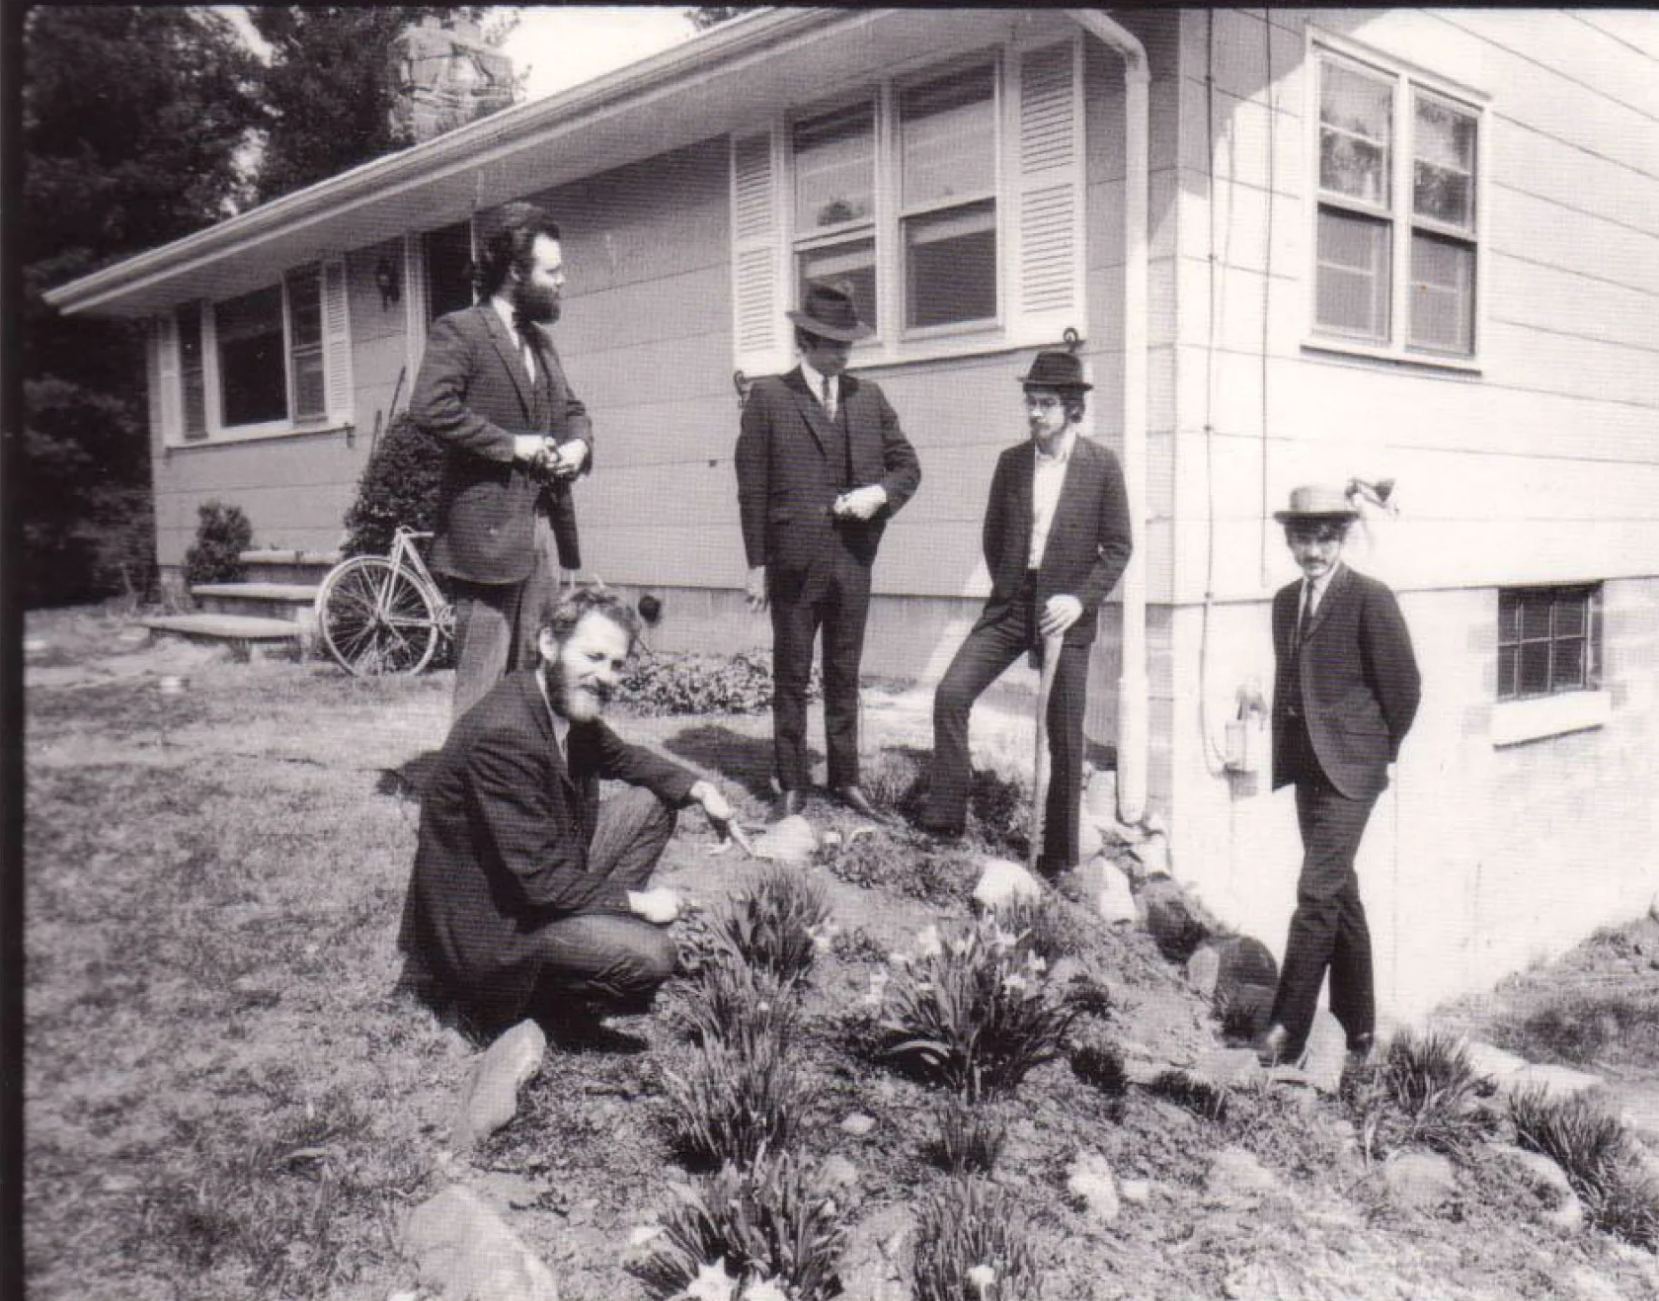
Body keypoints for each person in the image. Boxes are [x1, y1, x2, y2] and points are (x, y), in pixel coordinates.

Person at [396, 588, 749, 1041]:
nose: (605, 676)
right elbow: (540, 883)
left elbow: (624, 758)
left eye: (616, 664)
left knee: (653, 803)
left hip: (532, 888)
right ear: (548, 644)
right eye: (594, 656)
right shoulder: (505, 734)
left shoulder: (558, 704)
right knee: (653, 957)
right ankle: (525, 1003)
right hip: (494, 932)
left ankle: (590, 941)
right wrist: (639, 904)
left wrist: (701, 789)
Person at [915, 351, 1131, 876]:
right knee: (951, 693)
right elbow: (993, 535)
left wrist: (1077, 599)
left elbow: (1119, 548)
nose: (1035, 414)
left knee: (1064, 736)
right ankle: (946, 819)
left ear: (1072, 408)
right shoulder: (1012, 463)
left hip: (1065, 614)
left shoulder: (1100, 466)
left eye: (1047, 404)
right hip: (1012, 604)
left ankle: (1059, 859)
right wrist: (1011, 583)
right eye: (1031, 403)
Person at [734, 282, 921, 821]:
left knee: (845, 672)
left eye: (848, 345)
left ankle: (846, 779)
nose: (843, 354)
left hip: (853, 562)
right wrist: (756, 565)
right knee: (791, 673)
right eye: (833, 344)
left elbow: (907, 467)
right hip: (793, 562)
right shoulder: (769, 398)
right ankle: (791, 783)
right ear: (806, 341)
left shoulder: (869, 399)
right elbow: (752, 488)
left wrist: (878, 494)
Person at [1255, 484, 1421, 1069]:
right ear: (1290, 541)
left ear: (1342, 538)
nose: (1313, 551)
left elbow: (1404, 690)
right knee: (1340, 892)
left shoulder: (1370, 598)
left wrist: (1374, 752)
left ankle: (1285, 1030)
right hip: (1306, 768)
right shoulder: (1283, 602)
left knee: (1316, 894)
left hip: (1353, 771)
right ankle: (1358, 1029)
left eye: (1324, 538)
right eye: (1302, 538)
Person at [412, 200, 592, 721]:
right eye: (552, 270)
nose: (563, 280)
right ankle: (460, 794)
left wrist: (578, 446)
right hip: (484, 542)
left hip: (540, 536)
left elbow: (574, 410)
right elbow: (429, 407)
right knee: (481, 679)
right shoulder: (462, 331)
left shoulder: (543, 344)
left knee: (534, 672)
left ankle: (512, 783)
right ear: (515, 272)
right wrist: (513, 446)